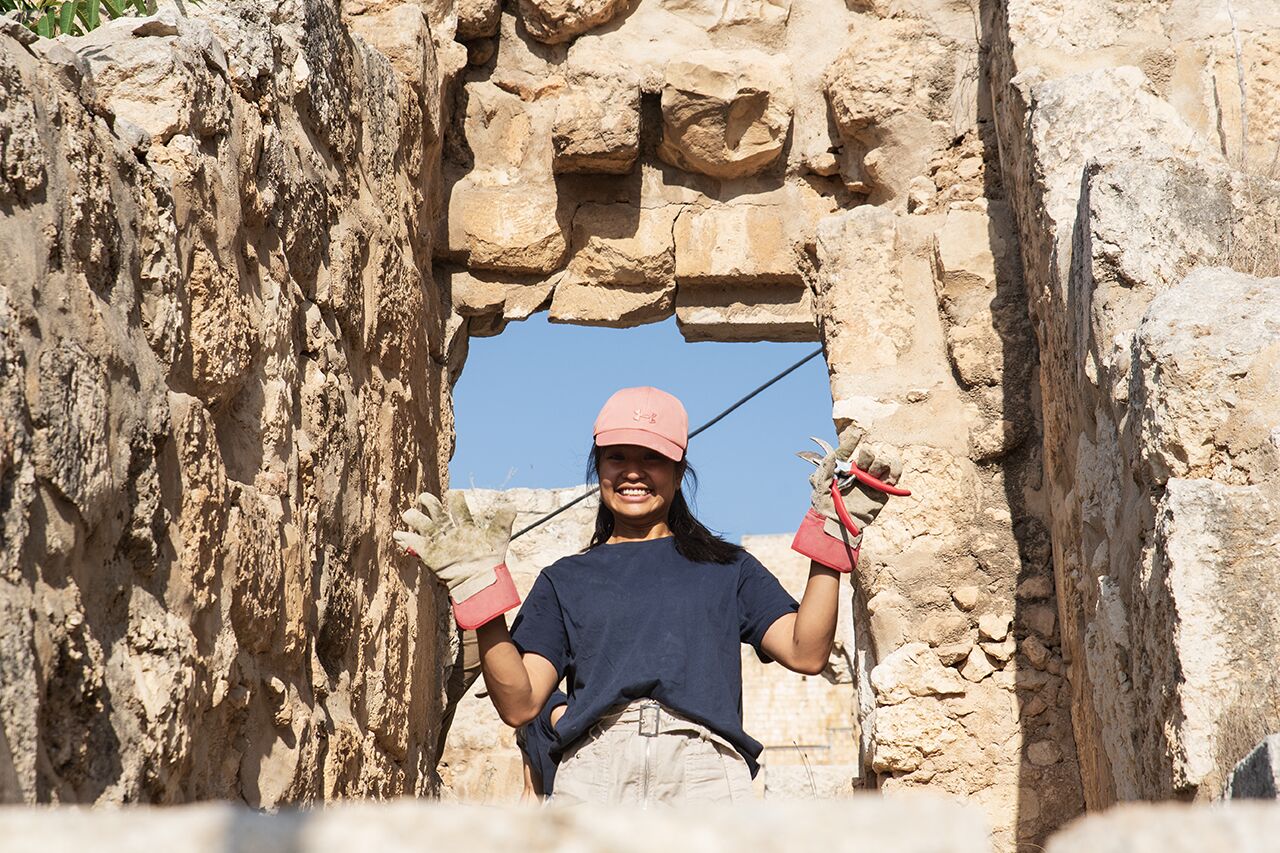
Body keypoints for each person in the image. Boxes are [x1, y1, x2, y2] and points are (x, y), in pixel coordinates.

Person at [396, 386, 903, 804]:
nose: (633, 472)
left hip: (705, 775)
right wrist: (478, 589)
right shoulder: (563, 579)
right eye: (617, 457)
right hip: (593, 772)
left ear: (679, 472)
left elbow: (806, 651)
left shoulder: (727, 569)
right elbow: (520, 702)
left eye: (652, 458)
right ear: (598, 468)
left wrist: (831, 535)